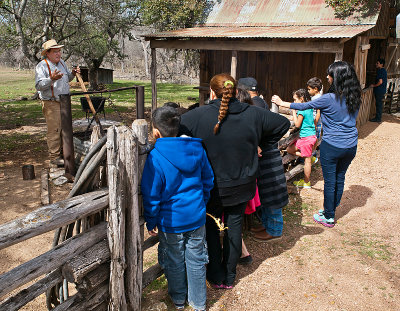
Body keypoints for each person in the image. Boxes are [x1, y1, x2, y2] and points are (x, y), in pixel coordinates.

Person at [180, 73, 290, 288]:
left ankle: (216, 275)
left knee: (211, 228)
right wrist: (258, 142)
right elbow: (282, 124)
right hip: (242, 184)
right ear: (234, 91)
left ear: (212, 92)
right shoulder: (253, 114)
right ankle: (230, 276)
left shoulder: (194, 117)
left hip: (210, 186)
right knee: (234, 226)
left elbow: (175, 134)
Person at [141, 106, 214, 311]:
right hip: (196, 215)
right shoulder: (197, 148)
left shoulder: (156, 157)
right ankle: (199, 302)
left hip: (171, 220)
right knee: (197, 259)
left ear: (156, 132)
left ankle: (179, 299)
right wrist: (202, 201)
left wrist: (151, 219)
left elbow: (152, 193)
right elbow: (208, 180)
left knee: (174, 260)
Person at [272, 61, 361, 228]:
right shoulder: (355, 97)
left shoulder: (328, 99)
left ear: (337, 78)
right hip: (351, 145)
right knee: (340, 178)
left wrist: (280, 102)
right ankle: (330, 210)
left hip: (332, 145)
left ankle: (328, 216)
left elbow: (304, 106)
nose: (327, 77)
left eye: (330, 75)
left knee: (330, 181)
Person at [238, 81, 289, 242]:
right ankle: (267, 225)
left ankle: (274, 230)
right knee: (267, 195)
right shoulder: (260, 102)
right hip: (267, 155)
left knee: (272, 194)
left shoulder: (254, 107)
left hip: (267, 156)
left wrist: (259, 144)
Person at [35, 39, 80, 166]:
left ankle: (64, 154)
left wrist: (72, 73)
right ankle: (54, 158)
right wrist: (51, 79)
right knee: (54, 130)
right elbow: (38, 86)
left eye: (59, 51)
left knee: (65, 129)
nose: (58, 54)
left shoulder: (62, 63)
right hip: (51, 103)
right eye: (55, 52)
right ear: (47, 53)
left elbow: (67, 79)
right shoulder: (42, 66)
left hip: (64, 102)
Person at [287, 89, 317, 189]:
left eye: (295, 100)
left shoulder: (302, 110)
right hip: (312, 136)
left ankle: (306, 182)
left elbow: (297, 124)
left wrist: (294, 112)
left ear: (301, 99)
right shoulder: (309, 107)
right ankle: (308, 156)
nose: (294, 102)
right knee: (289, 149)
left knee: (307, 161)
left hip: (306, 138)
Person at [370, 58, 387, 123]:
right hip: (382, 90)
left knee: (378, 104)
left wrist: (373, 85)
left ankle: (378, 119)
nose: (376, 64)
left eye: (377, 63)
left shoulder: (380, 71)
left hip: (379, 90)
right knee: (379, 104)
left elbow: (380, 82)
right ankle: (378, 118)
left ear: (381, 64)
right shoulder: (384, 71)